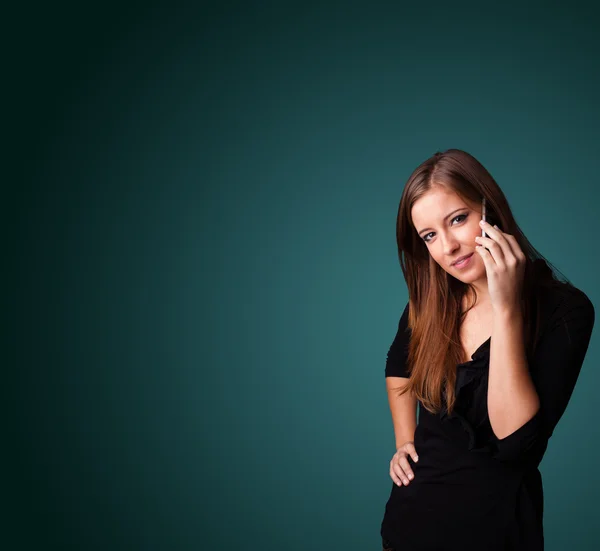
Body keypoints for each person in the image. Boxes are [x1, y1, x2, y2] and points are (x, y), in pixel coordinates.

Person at [379, 149, 595, 551]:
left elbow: (514, 443)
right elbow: (398, 367)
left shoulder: (566, 310)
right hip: (408, 527)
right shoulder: (430, 304)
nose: (448, 246)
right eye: (429, 235)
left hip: (496, 532)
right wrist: (404, 441)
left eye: (457, 219)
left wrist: (507, 307)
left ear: (489, 208)